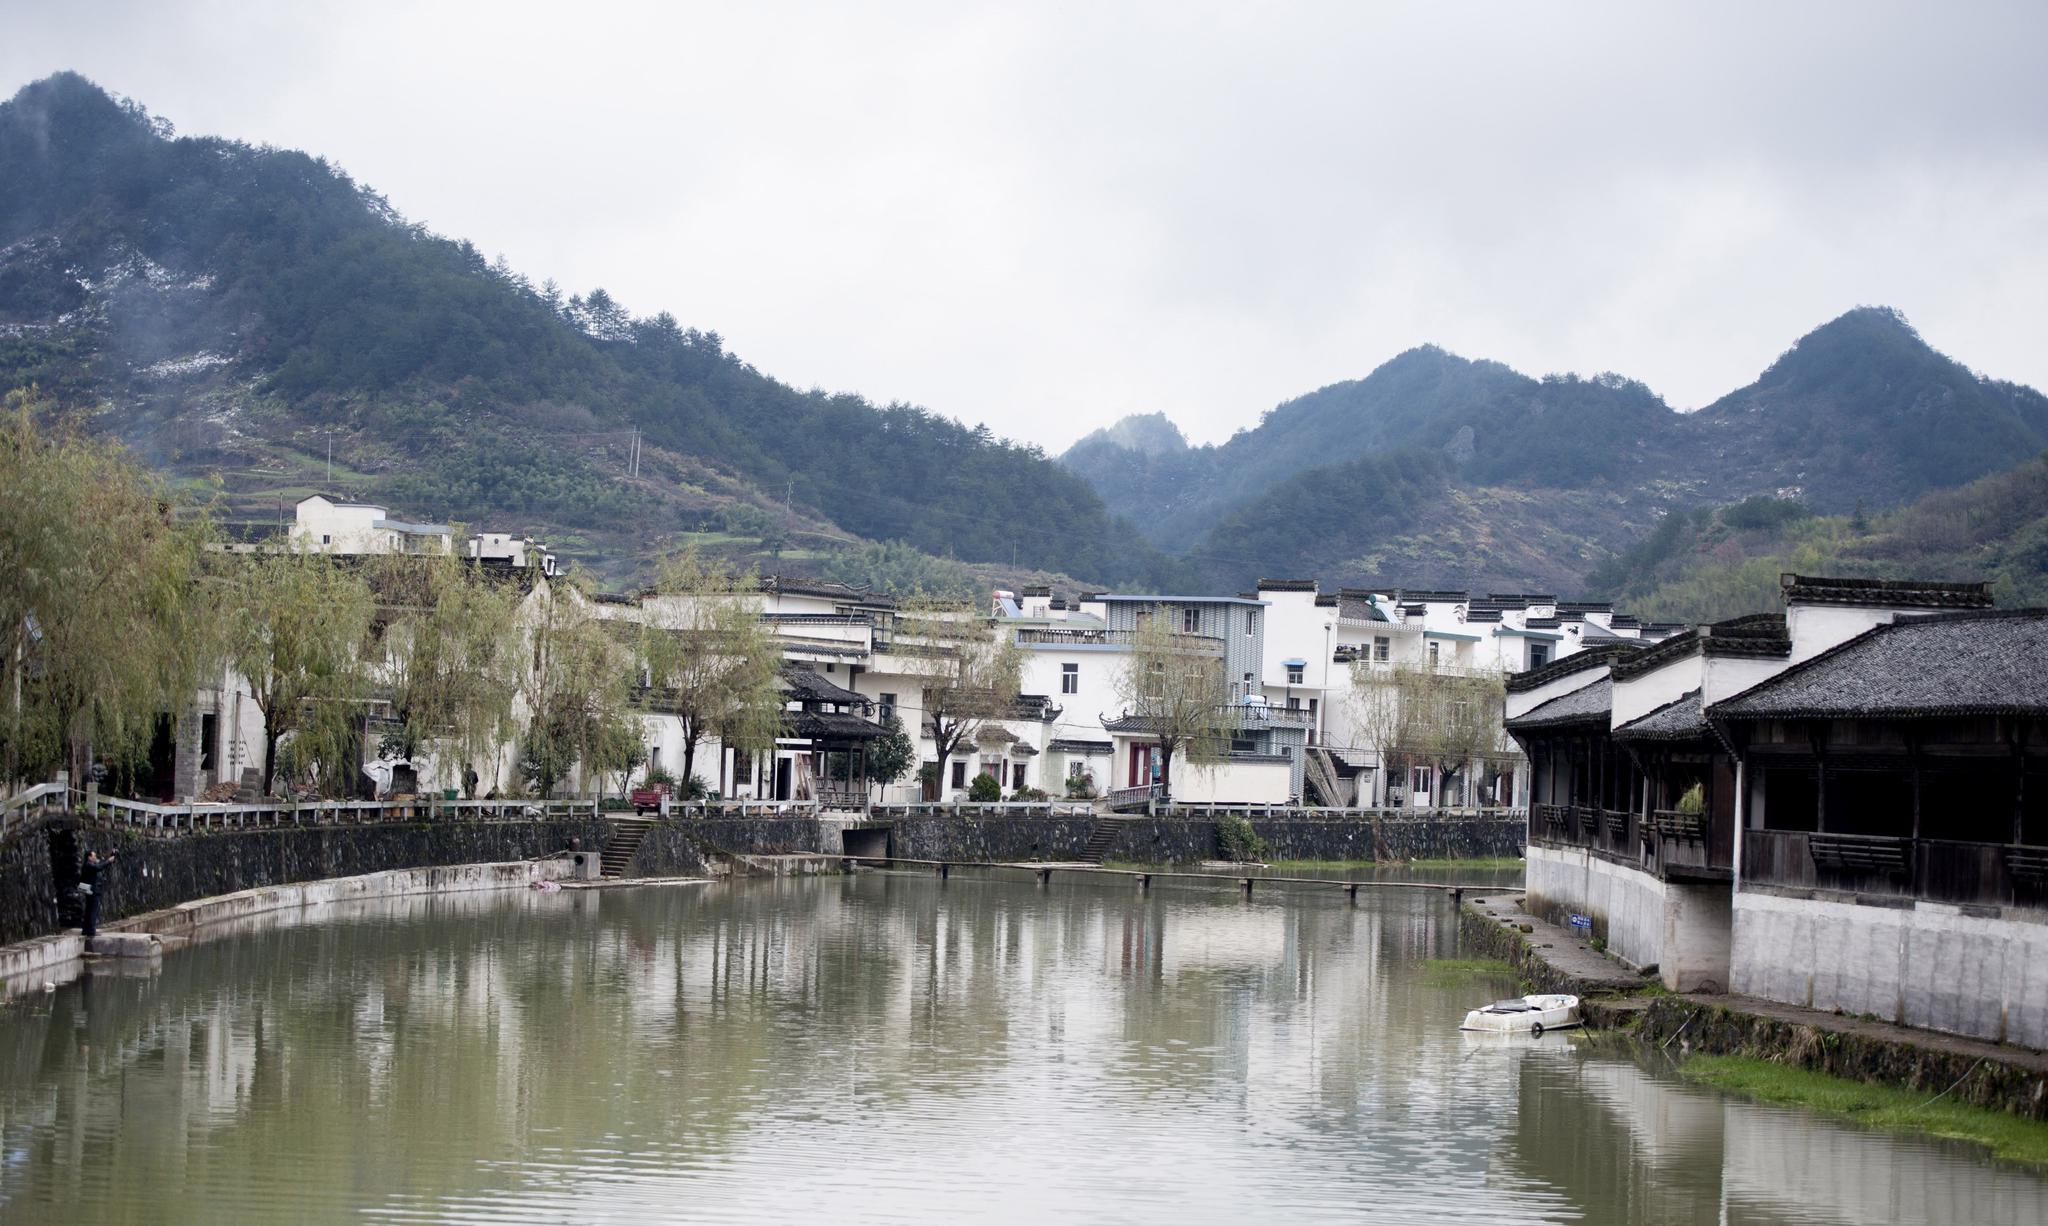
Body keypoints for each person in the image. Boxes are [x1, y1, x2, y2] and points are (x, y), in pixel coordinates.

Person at [78, 849, 116, 939]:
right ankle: (91, 930)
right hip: (92, 890)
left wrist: (107, 860)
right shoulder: (89, 865)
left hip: (89, 889)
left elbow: (99, 865)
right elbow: (98, 867)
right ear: (89, 857)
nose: (95, 857)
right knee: (93, 910)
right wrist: (108, 861)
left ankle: (86, 930)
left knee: (89, 909)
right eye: (94, 856)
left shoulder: (87, 864)